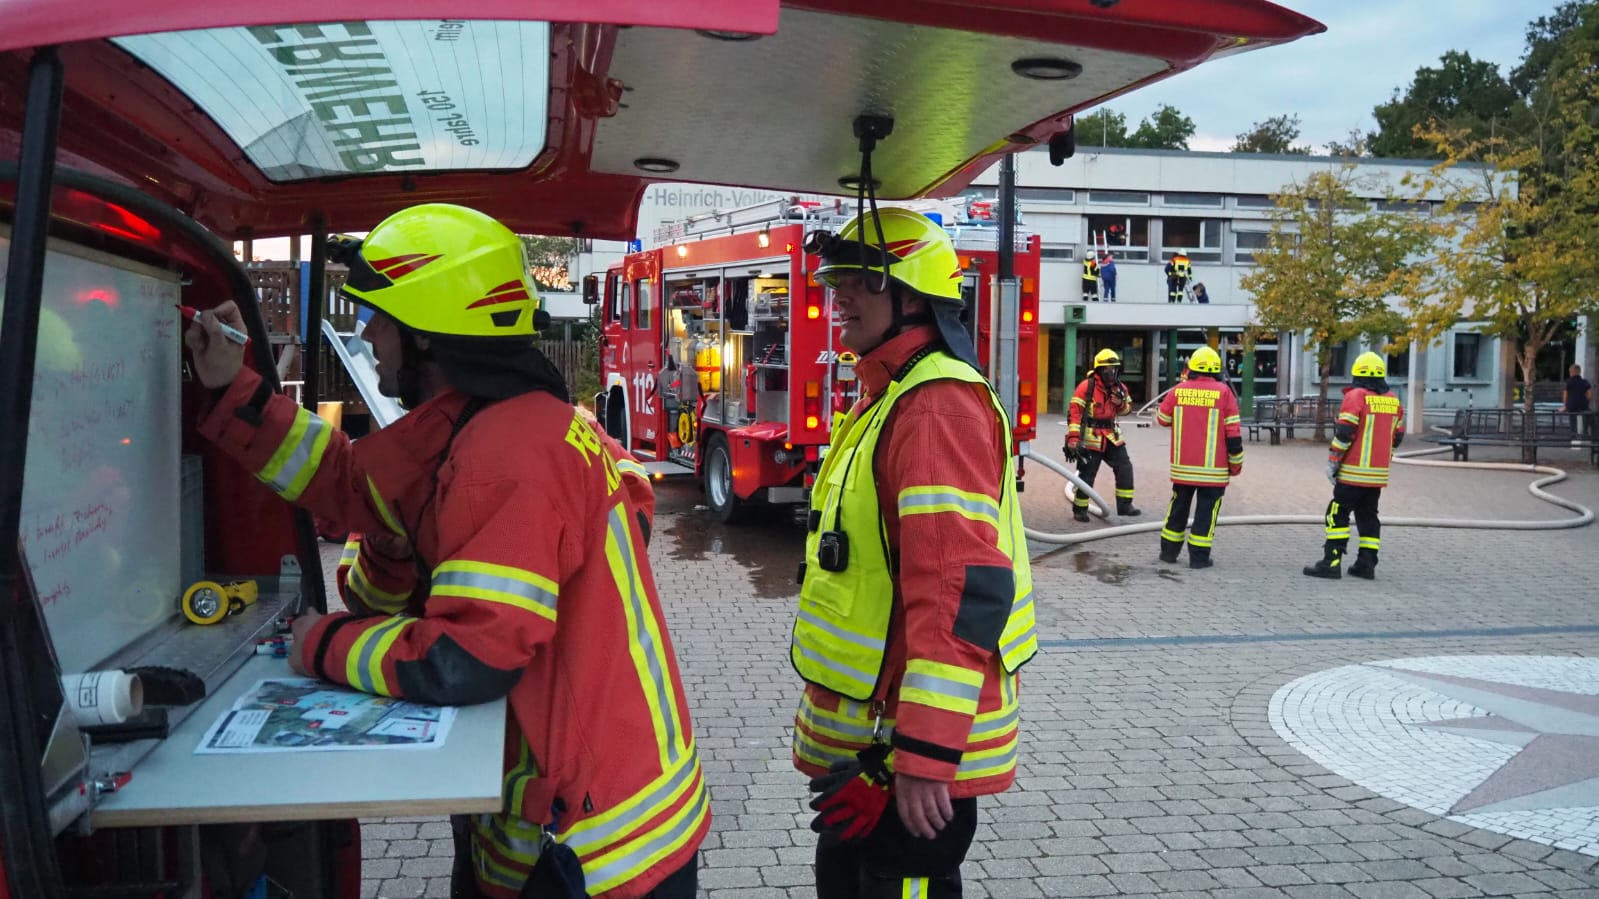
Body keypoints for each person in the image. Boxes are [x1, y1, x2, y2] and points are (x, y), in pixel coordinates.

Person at [183, 203, 707, 899]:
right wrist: (237, 388)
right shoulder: (506, 426)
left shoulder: (504, 455)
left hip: (597, 851)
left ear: (428, 335)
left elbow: (468, 659)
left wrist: (321, 641)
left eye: (380, 318)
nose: (367, 335)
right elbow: (345, 480)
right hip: (580, 821)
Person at [791, 207, 1038, 898]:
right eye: (834, 277)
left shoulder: (933, 404)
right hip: (878, 736)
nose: (836, 295)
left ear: (911, 295)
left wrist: (923, 752)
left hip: (907, 749)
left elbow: (958, 586)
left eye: (859, 281)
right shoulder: (890, 391)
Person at [1303, 351, 1405, 581]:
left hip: (1352, 473)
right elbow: (1397, 436)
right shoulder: (1392, 400)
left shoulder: (1356, 396)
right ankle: (1366, 564)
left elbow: (1345, 433)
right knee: (1369, 518)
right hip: (1377, 475)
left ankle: (1331, 561)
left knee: (1337, 514)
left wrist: (1333, 461)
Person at [1155, 346, 1243, 569]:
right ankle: (1199, 558)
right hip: (1213, 472)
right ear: (1217, 370)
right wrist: (1236, 464)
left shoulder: (1178, 390)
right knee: (1206, 514)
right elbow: (1233, 434)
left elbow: (1162, 419)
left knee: (1178, 509)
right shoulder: (1224, 393)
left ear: (1191, 368)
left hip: (1183, 469)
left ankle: (1168, 553)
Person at [1065, 349, 1141, 521]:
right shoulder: (1087, 387)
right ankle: (1080, 509)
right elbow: (1075, 413)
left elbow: (1128, 409)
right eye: (1107, 369)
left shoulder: (1120, 388)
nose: (1111, 373)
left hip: (1111, 436)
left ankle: (1125, 505)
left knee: (1125, 468)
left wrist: (1120, 403)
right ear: (1099, 370)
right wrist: (1074, 438)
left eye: (1114, 369)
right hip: (1091, 437)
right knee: (1087, 474)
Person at [1563, 364, 1591, 439]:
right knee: (1587, 415)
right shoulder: (1585, 382)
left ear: (1572, 372)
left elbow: (1565, 395)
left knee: (1572, 419)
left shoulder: (1568, 382)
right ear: (1579, 372)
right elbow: (1589, 394)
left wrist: (1565, 406)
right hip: (1583, 405)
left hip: (1571, 405)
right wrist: (1586, 401)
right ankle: (1585, 432)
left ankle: (1573, 434)